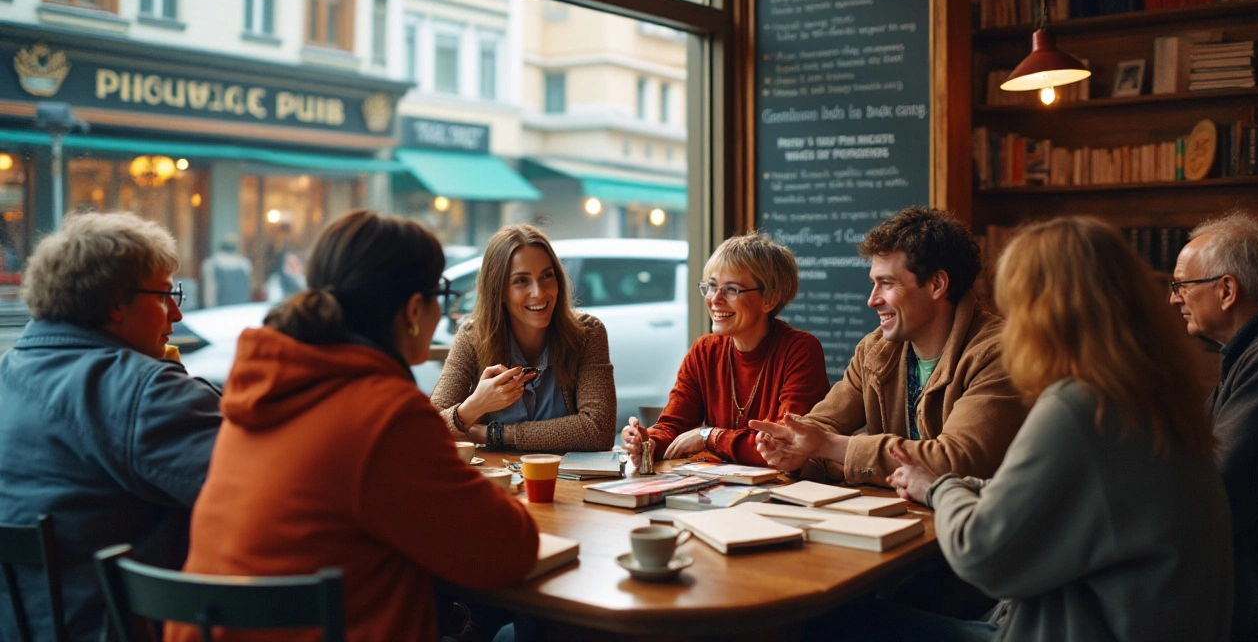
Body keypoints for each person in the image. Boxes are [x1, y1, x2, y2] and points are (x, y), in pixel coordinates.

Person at [855, 217, 1233, 642]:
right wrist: (958, 486)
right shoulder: (1153, 394)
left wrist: (939, 489)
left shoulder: (1079, 405)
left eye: (1016, 305)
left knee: (837, 620)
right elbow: (1059, 498)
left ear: (1044, 311)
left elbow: (982, 557)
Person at [171, 210, 539, 642]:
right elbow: (510, 550)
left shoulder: (262, 389)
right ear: (413, 310)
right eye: (440, 291)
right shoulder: (385, 414)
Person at [0, 212, 222, 642]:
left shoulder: (8, 372)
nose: (175, 312)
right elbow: (263, 490)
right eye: (163, 295)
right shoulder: (143, 392)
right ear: (114, 304)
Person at [751, 206, 1025, 485]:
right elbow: (820, 428)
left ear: (937, 284)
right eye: (873, 283)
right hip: (892, 517)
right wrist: (793, 451)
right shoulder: (874, 350)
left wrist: (830, 448)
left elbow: (954, 461)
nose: (872, 300)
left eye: (887, 283)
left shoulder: (999, 353)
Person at [618, 232, 828, 464]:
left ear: (769, 298)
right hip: (721, 492)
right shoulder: (705, 351)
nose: (714, 299)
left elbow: (784, 445)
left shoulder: (800, 350)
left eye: (731, 289)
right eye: (711, 286)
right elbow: (673, 426)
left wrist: (710, 436)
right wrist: (646, 442)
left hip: (786, 492)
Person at [1170, 211, 1258, 642]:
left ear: (1227, 289)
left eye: (1180, 286)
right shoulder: (1250, 350)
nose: (1173, 299)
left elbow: (1216, 491)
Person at [433, 224, 616, 452]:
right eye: (521, 280)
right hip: (497, 480)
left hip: (565, 484)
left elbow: (598, 431)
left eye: (546, 276)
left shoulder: (588, 333)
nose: (539, 292)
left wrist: (494, 434)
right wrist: (475, 405)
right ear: (498, 290)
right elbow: (429, 430)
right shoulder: (473, 336)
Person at [199, 232, 252, 308]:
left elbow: (209, 293)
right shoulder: (245, 263)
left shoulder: (210, 263)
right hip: (225, 310)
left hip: (237, 309)